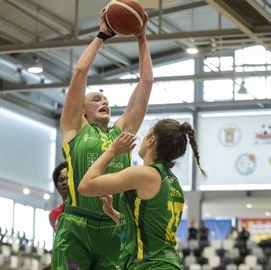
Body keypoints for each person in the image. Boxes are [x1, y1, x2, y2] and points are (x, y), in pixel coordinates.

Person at [52, 5, 153, 270]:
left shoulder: (123, 132)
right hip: (76, 224)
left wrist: (142, 38)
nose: (104, 101)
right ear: (82, 110)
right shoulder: (75, 128)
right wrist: (102, 35)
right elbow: (79, 73)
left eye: (106, 99)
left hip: (113, 227)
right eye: (96, 98)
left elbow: (146, 83)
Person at [79, 119, 206, 269]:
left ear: (151, 139)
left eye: (146, 134)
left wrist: (113, 150)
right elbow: (148, 230)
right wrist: (112, 213)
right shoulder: (173, 182)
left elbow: (85, 186)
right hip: (167, 263)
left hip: (150, 264)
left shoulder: (145, 174)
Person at [49, 162, 68, 231]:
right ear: (56, 186)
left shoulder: (84, 207)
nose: (64, 182)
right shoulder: (53, 215)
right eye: (61, 180)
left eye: (67, 178)